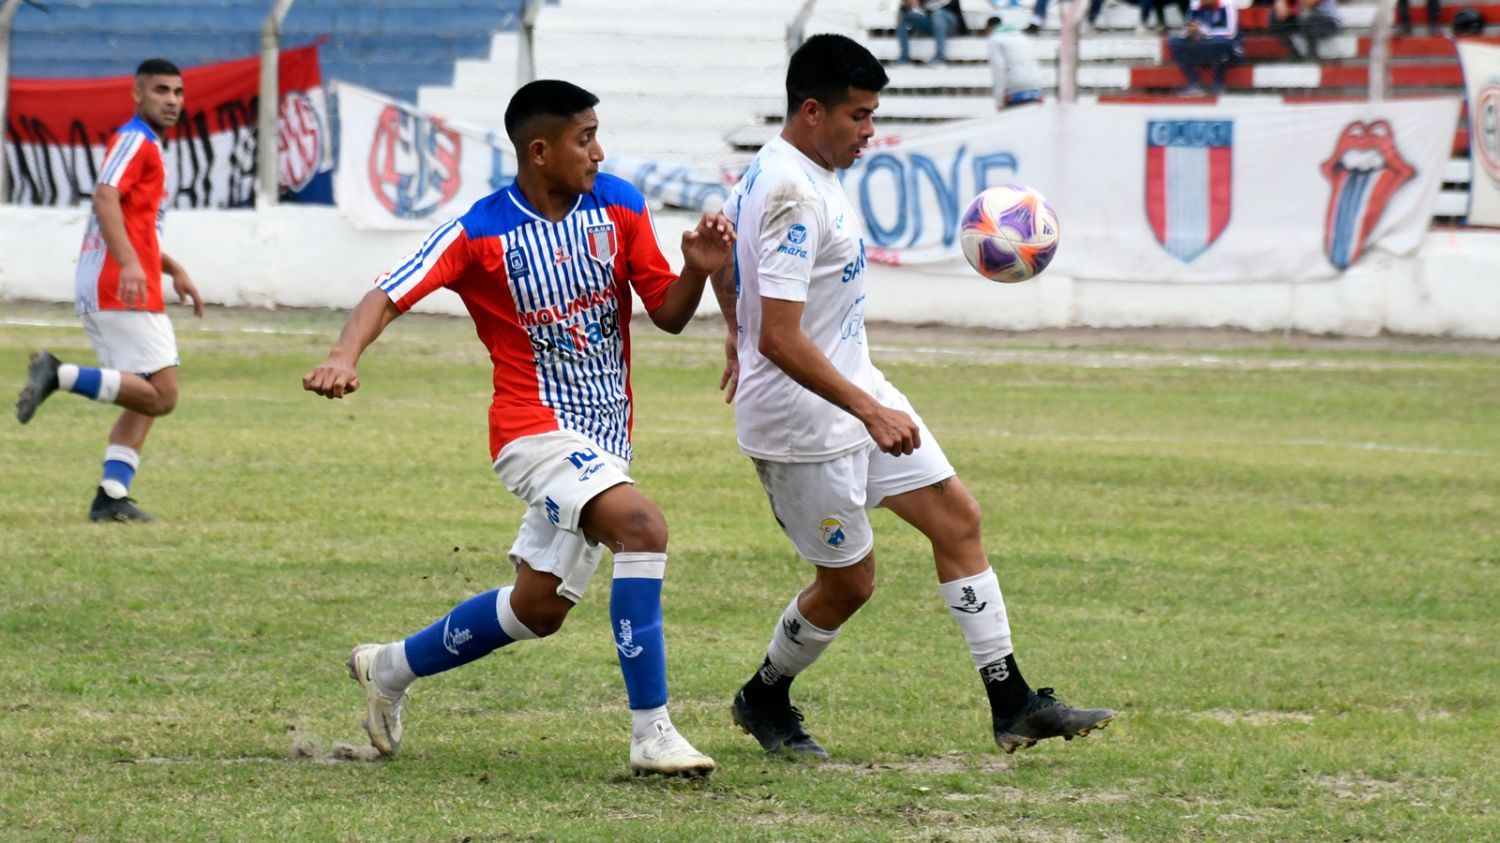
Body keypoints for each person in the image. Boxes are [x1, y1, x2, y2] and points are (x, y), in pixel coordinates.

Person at [302, 79, 733, 777]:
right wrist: (342, 354)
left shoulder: (619, 205)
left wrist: (694, 271)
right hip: (531, 431)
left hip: (605, 441)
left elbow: (668, 312)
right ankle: (652, 732)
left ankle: (389, 667)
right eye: (584, 137)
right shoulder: (480, 232)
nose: (598, 150)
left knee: (538, 608)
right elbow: (389, 291)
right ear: (541, 151)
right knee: (642, 526)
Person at [709, 34, 1114, 759]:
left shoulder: (794, 171)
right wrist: (862, 406)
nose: (870, 131)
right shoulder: (795, 192)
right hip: (807, 425)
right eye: (859, 116)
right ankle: (764, 695)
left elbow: (745, 286)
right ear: (811, 112)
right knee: (849, 585)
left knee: (957, 518)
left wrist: (735, 333)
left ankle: (1013, 703)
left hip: (856, 391)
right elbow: (780, 333)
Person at [15, 58, 202, 523]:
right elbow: (104, 198)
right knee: (163, 395)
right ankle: (58, 375)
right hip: (117, 285)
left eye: (177, 91)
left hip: (116, 281)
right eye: (161, 90)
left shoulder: (151, 146)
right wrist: (131, 265)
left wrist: (169, 266)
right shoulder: (134, 139)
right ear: (137, 95)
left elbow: (134, 222)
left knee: (144, 394)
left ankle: (111, 496)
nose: (172, 100)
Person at [1167, 0, 1243, 95]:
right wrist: (1189, 32)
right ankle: (1194, 83)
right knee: (1174, 42)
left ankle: (1218, 83)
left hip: (1229, 49)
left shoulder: (1228, 4)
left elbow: (1230, 33)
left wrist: (1203, 31)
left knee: (1219, 42)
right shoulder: (1195, 4)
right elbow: (1187, 27)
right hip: (1205, 46)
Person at [983, 15, 1044, 108]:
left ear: (989, 28)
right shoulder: (1023, 38)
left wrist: (998, 101)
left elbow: (998, 69)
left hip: (1015, 90)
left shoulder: (994, 40)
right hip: (1035, 88)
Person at [1269, 0, 1341, 60]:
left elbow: (1308, 3)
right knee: (1275, 19)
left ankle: (1312, 55)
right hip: (1304, 21)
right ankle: (1294, 54)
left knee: (1307, 18)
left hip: (1328, 23)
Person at [897, 0, 960, 65]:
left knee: (938, 13)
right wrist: (909, 5)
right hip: (931, 22)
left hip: (949, 22)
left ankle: (939, 57)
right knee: (905, 16)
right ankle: (904, 58)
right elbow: (908, 8)